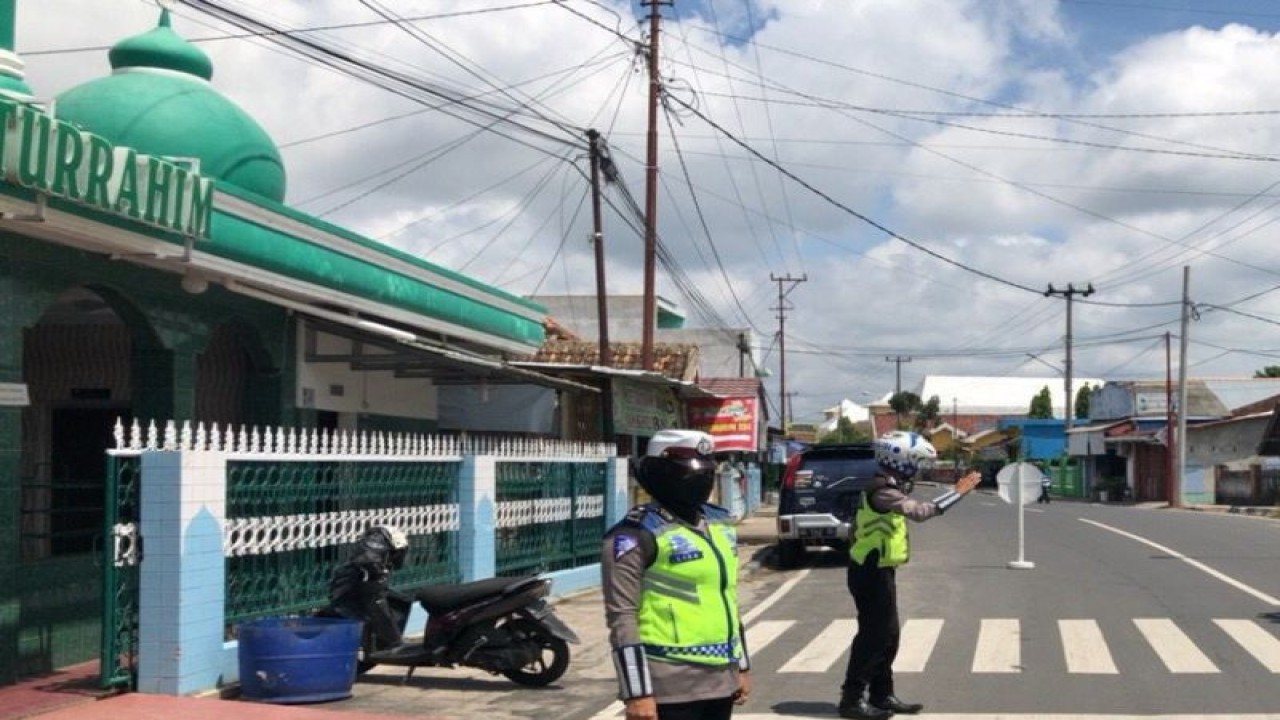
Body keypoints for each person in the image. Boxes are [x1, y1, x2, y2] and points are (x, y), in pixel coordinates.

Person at [602, 429, 752, 720]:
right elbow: (622, 617)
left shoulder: (719, 523)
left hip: (721, 680)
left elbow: (727, 598)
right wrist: (637, 692)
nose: (702, 479)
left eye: (707, 470)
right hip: (667, 685)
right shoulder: (634, 535)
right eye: (690, 472)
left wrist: (742, 666)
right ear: (660, 473)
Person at [838, 431, 982, 719]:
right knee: (874, 635)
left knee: (888, 635)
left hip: (879, 569)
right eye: (915, 462)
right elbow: (919, 512)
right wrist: (957, 493)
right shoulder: (882, 489)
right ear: (900, 460)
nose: (917, 469)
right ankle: (852, 699)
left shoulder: (889, 484)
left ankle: (882, 695)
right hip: (869, 571)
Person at [329, 524, 417, 658]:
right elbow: (367, 560)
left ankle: (390, 642)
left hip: (364, 586)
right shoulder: (374, 542)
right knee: (377, 602)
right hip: (351, 592)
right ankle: (393, 643)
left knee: (401, 601)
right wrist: (376, 571)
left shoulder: (382, 544)